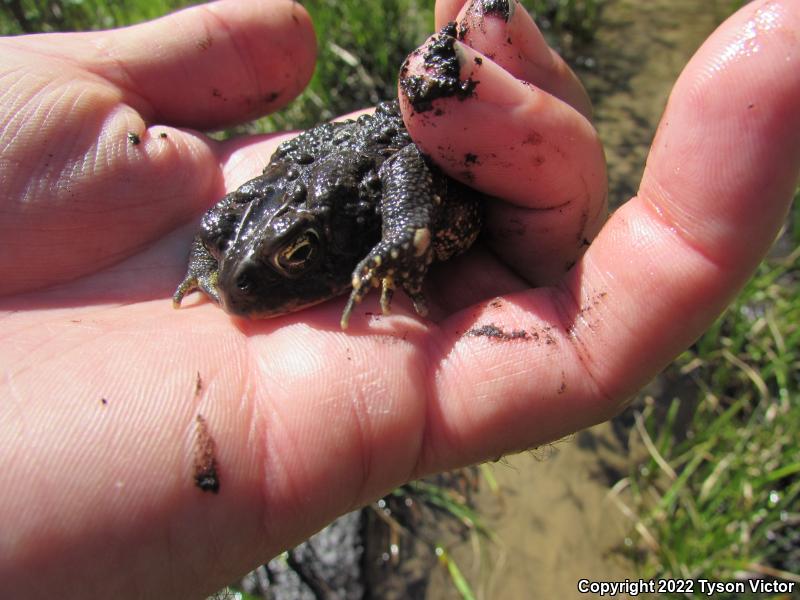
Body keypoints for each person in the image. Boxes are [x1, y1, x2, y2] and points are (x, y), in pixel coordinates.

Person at [0, 0, 797, 596]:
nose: (240, 280)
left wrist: (399, 242)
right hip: (318, 175)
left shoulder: (369, 209)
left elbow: (403, 166)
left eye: (300, 259)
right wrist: (212, 261)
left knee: (442, 143)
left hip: (387, 159)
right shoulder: (231, 219)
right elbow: (224, 215)